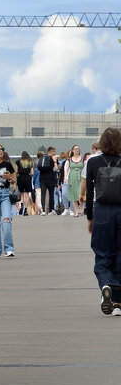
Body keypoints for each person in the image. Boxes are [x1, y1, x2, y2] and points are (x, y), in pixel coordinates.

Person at [84, 128, 121, 315]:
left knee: (102, 253)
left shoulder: (93, 162)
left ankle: (106, 284)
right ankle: (117, 300)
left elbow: (90, 193)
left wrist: (89, 217)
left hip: (102, 211)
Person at [64, 145, 85, 217]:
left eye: (78, 149)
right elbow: (66, 169)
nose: (77, 150)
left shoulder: (83, 159)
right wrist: (65, 177)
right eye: (75, 149)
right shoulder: (69, 160)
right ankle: (76, 211)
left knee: (80, 192)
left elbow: (85, 168)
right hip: (72, 177)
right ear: (72, 150)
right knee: (73, 194)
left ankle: (81, 208)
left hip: (80, 177)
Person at [16, 151, 35, 216]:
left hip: (20, 177)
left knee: (22, 194)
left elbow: (16, 171)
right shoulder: (30, 162)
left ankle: (21, 205)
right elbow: (32, 173)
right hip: (27, 177)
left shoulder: (18, 161)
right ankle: (26, 210)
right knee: (27, 194)